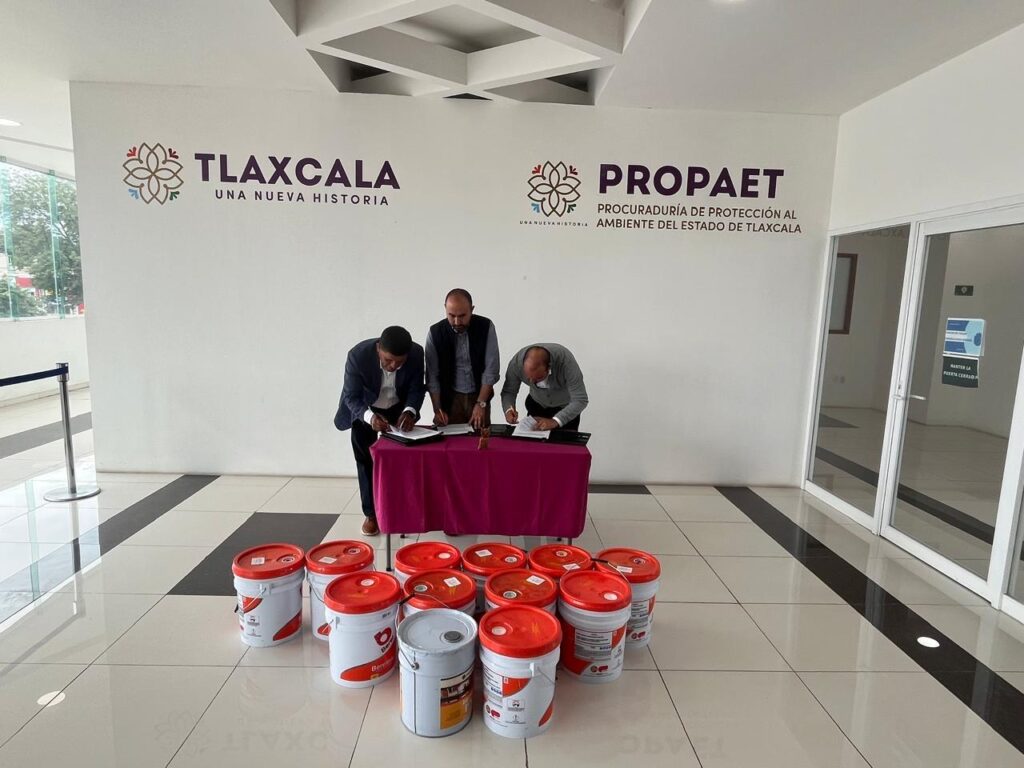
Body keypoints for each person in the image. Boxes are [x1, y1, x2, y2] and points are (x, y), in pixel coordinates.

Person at [334, 326, 425, 536]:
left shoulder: (416, 353)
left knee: (400, 461)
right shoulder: (358, 355)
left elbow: (416, 388)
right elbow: (351, 396)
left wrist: (410, 411)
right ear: (378, 349)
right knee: (365, 460)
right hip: (365, 409)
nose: (393, 366)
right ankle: (371, 514)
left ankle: (398, 510)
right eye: (388, 360)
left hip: (398, 408)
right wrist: (370, 417)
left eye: (399, 362)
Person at [424, 288, 500, 430]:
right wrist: (437, 409)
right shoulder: (435, 333)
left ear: (472, 310)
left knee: (480, 439)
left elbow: (491, 369)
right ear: (445, 309)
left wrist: (481, 403)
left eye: (462, 316)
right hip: (450, 398)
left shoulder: (486, 327)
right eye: (451, 315)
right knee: (451, 440)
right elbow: (432, 376)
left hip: (479, 395)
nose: (457, 321)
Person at [501, 343, 588, 431]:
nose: (532, 382)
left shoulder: (566, 362)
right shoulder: (515, 364)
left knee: (565, 439)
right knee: (531, 439)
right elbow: (509, 391)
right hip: (536, 405)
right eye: (528, 377)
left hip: (566, 408)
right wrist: (508, 409)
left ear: (549, 367)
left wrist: (555, 421)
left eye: (538, 378)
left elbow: (580, 399)